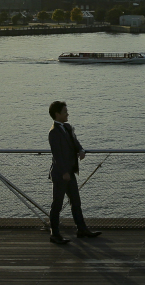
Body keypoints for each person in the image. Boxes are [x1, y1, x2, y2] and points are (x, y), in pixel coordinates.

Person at [48, 100, 101, 244]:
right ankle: (55, 234)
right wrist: (64, 172)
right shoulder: (53, 132)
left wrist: (81, 150)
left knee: (76, 202)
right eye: (65, 112)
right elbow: (57, 154)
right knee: (57, 204)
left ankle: (81, 229)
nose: (67, 114)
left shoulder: (67, 127)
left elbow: (75, 142)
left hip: (69, 173)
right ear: (57, 114)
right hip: (61, 174)